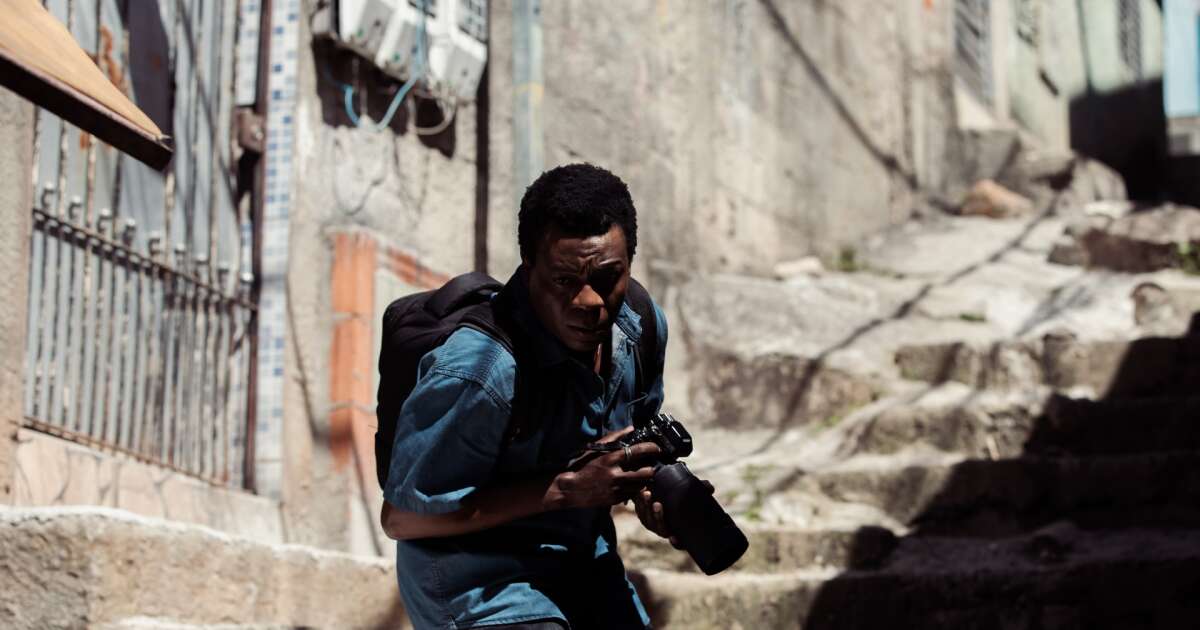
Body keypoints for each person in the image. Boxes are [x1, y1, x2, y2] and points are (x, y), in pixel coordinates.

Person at [380, 164, 678, 629]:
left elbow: (625, 436)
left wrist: (648, 491)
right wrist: (565, 489)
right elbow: (402, 519)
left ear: (629, 264)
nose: (589, 302)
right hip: (472, 576)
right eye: (564, 281)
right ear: (529, 268)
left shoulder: (639, 326)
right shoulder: (480, 371)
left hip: (580, 558)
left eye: (606, 277)